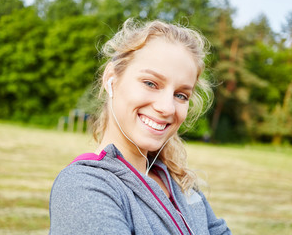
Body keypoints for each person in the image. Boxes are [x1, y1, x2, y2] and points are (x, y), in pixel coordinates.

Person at [49, 18, 231, 235]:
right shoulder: (84, 187)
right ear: (111, 79)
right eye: (150, 83)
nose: (167, 108)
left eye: (181, 95)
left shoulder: (180, 182)